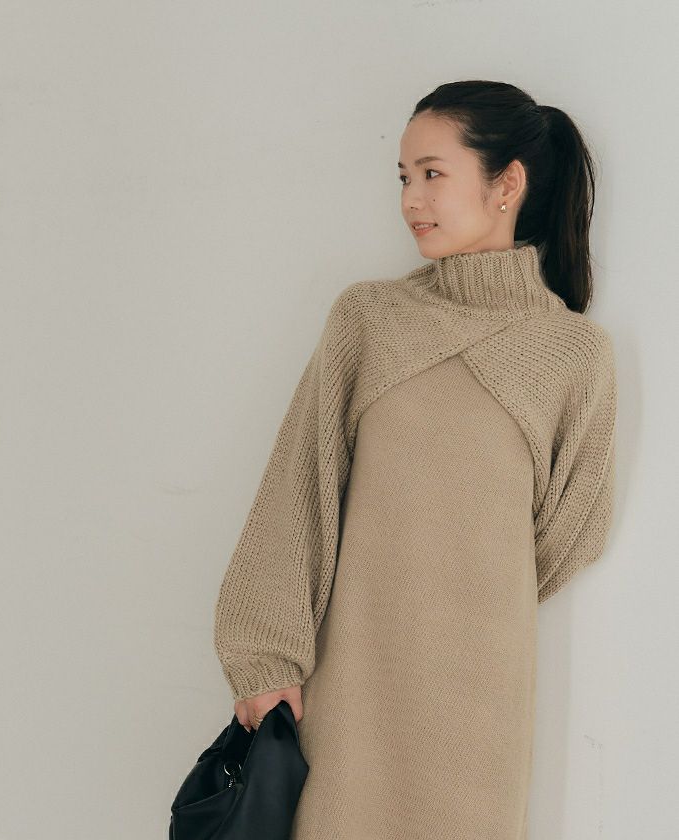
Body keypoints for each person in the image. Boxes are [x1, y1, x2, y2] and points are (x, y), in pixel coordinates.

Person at [212, 80, 618, 840]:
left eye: (433, 173)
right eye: (404, 177)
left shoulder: (574, 354)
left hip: (481, 702)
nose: (411, 199)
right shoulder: (371, 319)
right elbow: (297, 493)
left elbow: (570, 535)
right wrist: (265, 659)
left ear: (507, 184)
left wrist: (465, 600)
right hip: (351, 683)